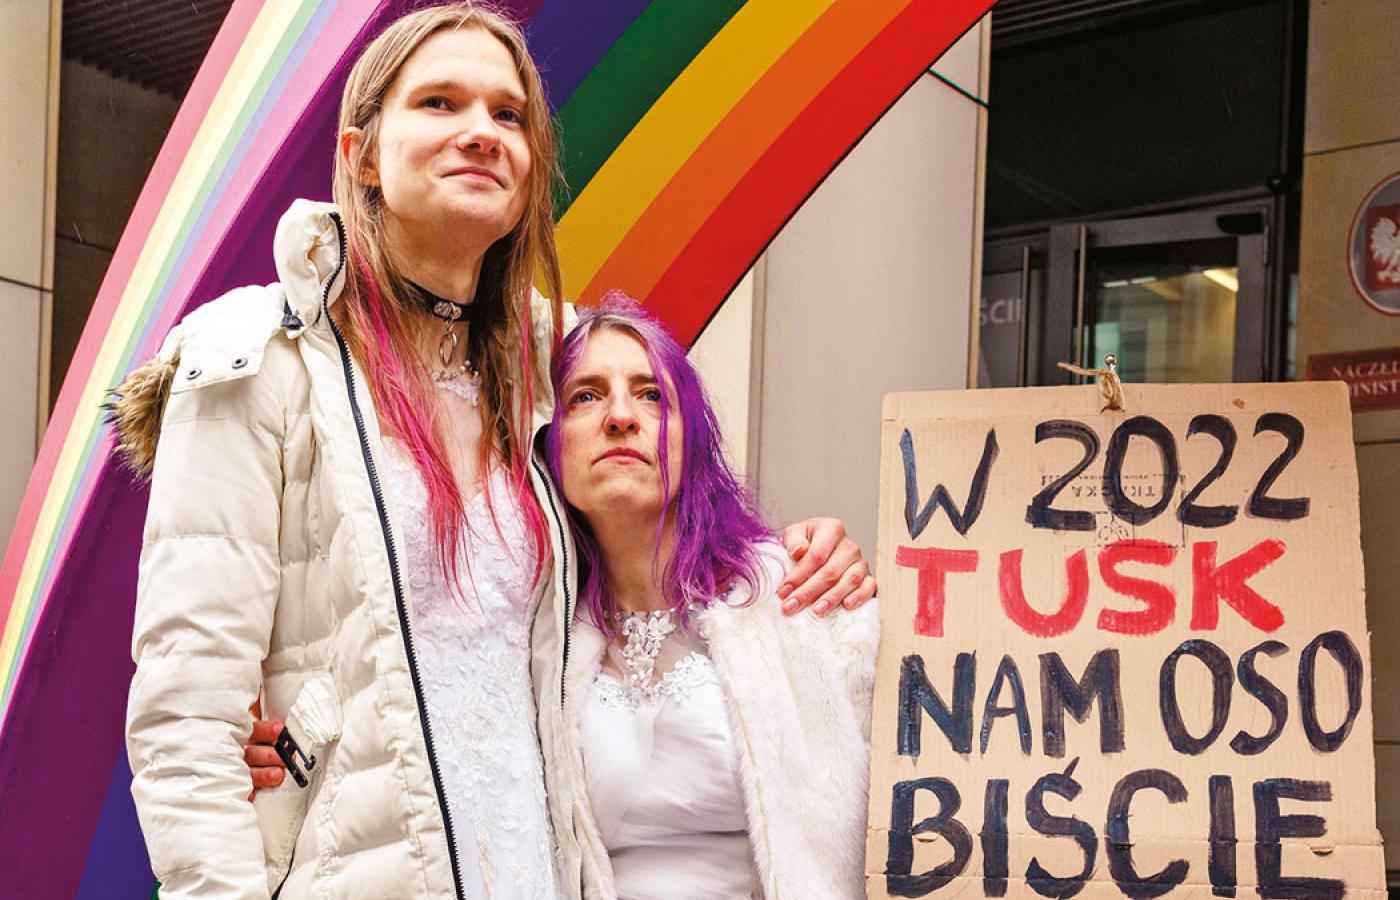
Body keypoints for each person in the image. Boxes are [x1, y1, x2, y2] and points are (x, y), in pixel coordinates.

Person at [112, 4, 873, 899]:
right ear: (362, 154)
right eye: (439, 102)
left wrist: (803, 555)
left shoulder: (550, 371)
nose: (480, 132)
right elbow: (186, 719)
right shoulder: (255, 357)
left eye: (507, 114)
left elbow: (660, 493)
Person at [544, 296, 878, 899]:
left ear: (692, 436)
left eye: (651, 394)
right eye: (585, 396)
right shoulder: (537, 635)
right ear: (550, 443)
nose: (620, 416)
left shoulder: (799, 592)